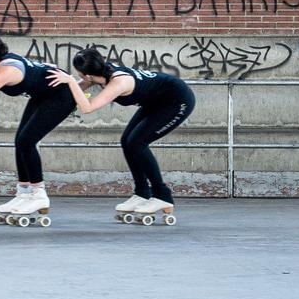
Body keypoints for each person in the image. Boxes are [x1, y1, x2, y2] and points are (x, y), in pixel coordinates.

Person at [50, 47, 196, 223]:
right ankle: (142, 192)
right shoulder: (100, 73)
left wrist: (71, 82)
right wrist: (62, 86)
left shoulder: (118, 82)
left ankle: (163, 196)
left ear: (86, 74)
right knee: (127, 141)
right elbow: (79, 89)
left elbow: (87, 107)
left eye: (79, 74)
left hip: (177, 100)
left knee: (137, 142)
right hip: (155, 101)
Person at [0, 31, 75, 225]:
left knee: (27, 140)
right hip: (42, 96)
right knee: (20, 141)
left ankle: (38, 194)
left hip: (61, 96)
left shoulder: (7, 69)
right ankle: (24, 192)